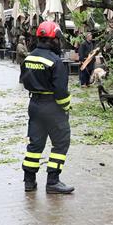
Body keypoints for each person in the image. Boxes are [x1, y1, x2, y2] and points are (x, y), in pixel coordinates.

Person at [20, 21, 74, 194]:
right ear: (54, 39)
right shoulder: (55, 61)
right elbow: (60, 91)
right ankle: (53, 181)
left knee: (35, 144)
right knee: (61, 143)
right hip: (52, 107)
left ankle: (29, 181)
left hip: (34, 105)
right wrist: (66, 107)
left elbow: (24, 81)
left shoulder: (29, 58)